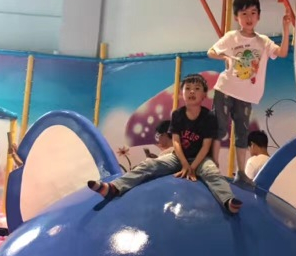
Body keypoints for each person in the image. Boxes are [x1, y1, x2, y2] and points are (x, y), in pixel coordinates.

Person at [88, 74, 242, 214]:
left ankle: (228, 200)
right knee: (149, 164)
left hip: (201, 159)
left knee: (212, 173)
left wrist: (192, 167)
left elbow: (206, 146)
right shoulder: (177, 114)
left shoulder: (208, 117)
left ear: (203, 95)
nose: (192, 92)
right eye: (188, 88)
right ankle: (114, 187)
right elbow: (176, 141)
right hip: (178, 157)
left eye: (197, 89)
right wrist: (184, 164)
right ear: (181, 93)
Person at [208, 0, 290, 184]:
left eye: (253, 13)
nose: (249, 17)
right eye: (244, 13)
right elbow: (211, 52)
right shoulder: (232, 37)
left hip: (247, 95)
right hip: (226, 89)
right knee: (220, 127)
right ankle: (213, 165)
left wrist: (286, 29)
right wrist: (225, 57)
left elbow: (282, 52)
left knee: (242, 132)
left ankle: (241, 172)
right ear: (237, 17)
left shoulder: (263, 41)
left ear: (258, 16)